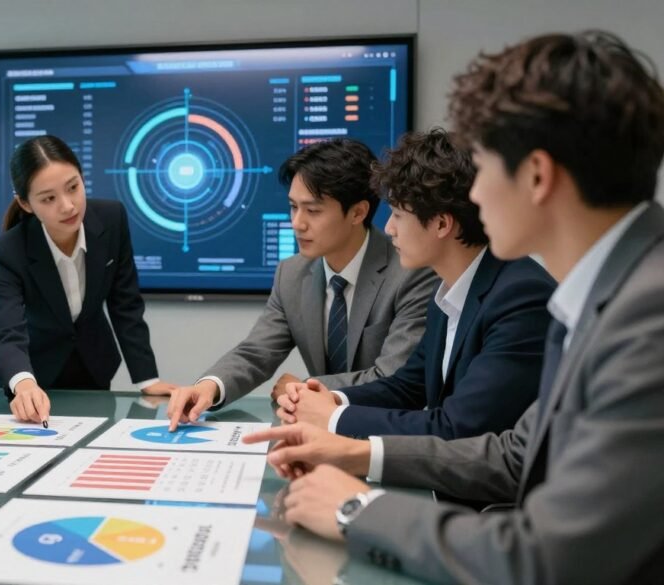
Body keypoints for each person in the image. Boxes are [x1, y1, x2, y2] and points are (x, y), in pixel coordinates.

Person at [243, 31, 664, 584]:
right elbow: (516, 456)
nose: (476, 195)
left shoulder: (648, 318)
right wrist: (352, 455)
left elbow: (549, 558)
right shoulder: (607, 291)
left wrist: (356, 509)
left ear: (537, 176)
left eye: (484, 168)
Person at [277, 128, 555, 439]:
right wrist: (332, 399)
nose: (389, 228)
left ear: (441, 223)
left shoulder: (520, 298)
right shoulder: (451, 291)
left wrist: (332, 419)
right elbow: (407, 387)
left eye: (397, 214)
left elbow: (456, 427)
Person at [166, 139, 439, 429]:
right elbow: (257, 351)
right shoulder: (291, 273)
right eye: (293, 207)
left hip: (386, 433)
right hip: (315, 434)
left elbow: (393, 377)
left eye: (313, 211)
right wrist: (209, 387)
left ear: (358, 213)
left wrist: (305, 387)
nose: (297, 223)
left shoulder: (411, 272)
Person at [0, 135, 175, 423]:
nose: (67, 206)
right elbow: (7, 329)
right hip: (30, 381)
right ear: (25, 204)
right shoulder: (9, 251)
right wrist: (23, 383)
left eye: (73, 188)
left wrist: (147, 378)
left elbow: (125, 305)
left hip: (92, 370)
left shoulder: (111, 219)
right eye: (48, 198)